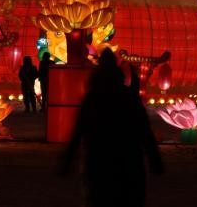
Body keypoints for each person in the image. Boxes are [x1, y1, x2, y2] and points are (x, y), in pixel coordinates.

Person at [62, 49, 162, 207]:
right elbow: (145, 131)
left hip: (99, 164)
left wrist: (67, 161)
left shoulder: (92, 98)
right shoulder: (129, 97)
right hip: (129, 163)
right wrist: (155, 159)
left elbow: (78, 132)